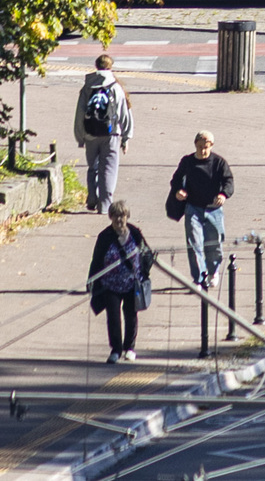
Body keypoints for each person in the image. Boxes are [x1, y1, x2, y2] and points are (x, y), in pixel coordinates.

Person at [87, 200, 155, 366]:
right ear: (110, 217)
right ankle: (116, 350)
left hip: (132, 284)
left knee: (131, 315)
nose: (119, 219)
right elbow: (96, 260)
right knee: (113, 317)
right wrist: (92, 281)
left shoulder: (135, 233)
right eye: (116, 216)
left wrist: (143, 273)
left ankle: (129, 348)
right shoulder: (104, 237)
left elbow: (147, 253)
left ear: (127, 216)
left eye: (122, 216)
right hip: (111, 284)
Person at [170, 131, 234, 287]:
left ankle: (213, 271)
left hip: (214, 209)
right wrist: (179, 191)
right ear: (195, 145)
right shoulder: (187, 162)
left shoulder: (219, 163)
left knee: (214, 243)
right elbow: (176, 179)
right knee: (194, 243)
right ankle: (198, 278)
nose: (203, 151)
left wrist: (223, 194)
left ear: (211, 146)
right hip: (193, 208)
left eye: (206, 147)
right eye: (200, 147)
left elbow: (228, 181)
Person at [75, 54, 133, 216]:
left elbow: (80, 113)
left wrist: (80, 136)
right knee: (108, 168)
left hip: (90, 133)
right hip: (111, 133)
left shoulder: (87, 87)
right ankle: (105, 205)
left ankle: (92, 197)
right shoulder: (115, 87)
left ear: (96, 66)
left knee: (93, 167)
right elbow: (124, 112)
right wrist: (126, 137)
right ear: (110, 67)